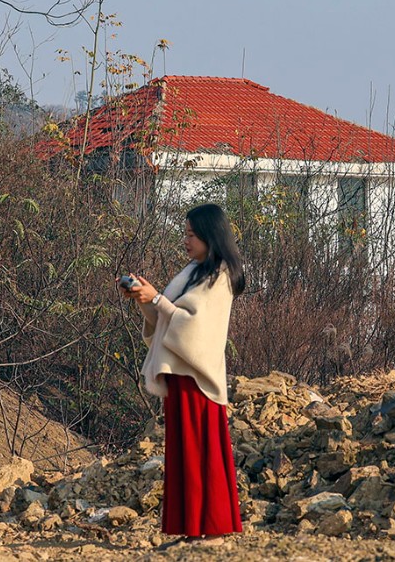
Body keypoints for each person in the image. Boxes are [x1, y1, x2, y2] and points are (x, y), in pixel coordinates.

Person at [119, 203, 245, 543]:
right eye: (185, 234)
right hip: (179, 375)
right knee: (182, 454)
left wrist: (158, 299)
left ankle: (213, 529)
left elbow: (193, 327)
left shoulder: (219, 276)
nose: (186, 241)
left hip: (196, 378)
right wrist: (145, 298)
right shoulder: (193, 272)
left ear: (210, 235)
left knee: (201, 452)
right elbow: (167, 319)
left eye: (192, 235)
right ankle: (191, 528)